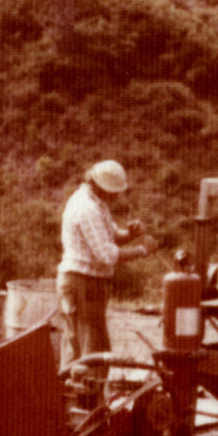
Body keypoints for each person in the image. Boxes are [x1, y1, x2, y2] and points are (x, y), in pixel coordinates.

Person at [56, 159, 158, 376]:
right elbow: (106, 255)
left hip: (87, 283)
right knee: (89, 351)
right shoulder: (87, 208)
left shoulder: (96, 203)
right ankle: (85, 404)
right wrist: (142, 251)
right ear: (102, 187)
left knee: (89, 347)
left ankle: (86, 401)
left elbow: (111, 237)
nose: (117, 196)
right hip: (81, 283)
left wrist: (129, 235)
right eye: (115, 192)